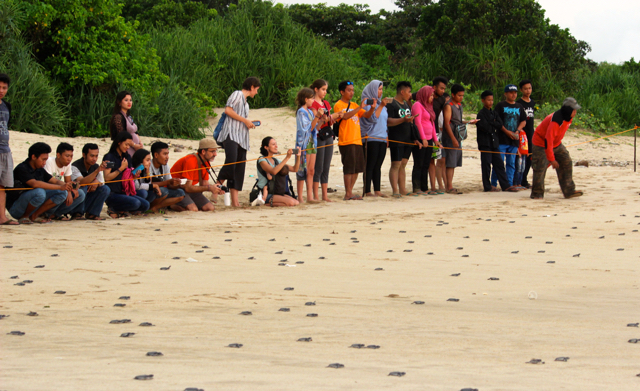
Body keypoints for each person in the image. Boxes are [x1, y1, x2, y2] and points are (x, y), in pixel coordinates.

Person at [217, 77, 261, 207]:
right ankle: (217, 185)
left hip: (242, 137)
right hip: (231, 134)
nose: (256, 93)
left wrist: (248, 122)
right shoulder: (237, 94)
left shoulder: (246, 103)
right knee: (231, 162)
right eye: (257, 89)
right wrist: (245, 120)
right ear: (252, 87)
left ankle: (235, 202)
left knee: (239, 167)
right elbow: (228, 110)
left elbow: (240, 118)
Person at [531, 98, 583, 199]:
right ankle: (537, 193)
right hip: (541, 143)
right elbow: (548, 140)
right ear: (568, 110)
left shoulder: (568, 117)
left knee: (566, 161)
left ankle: (569, 190)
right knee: (540, 168)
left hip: (556, 143)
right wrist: (552, 159)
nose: (576, 112)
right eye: (574, 110)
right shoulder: (556, 121)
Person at [6, 142, 71, 224]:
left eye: (46, 160)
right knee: (40, 192)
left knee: (62, 193)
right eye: (43, 159)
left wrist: (67, 185)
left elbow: (55, 181)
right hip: (16, 207)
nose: (44, 163)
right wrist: (60, 187)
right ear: (33, 157)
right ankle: (24, 217)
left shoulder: (39, 169)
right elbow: (35, 184)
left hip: (31, 204)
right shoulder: (22, 168)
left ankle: (35, 215)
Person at [334, 80, 376, 200]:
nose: (351, 92)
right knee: (349, 167)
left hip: (357, 140)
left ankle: (350, 192)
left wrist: (372, 108)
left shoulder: (353, 105)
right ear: (342, 92)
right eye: (349, 90)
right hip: (346, 140)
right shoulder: (339, 104)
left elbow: (367, 115)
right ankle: (348, 193)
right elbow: (345, 116)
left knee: (357, 168)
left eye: (352, 90)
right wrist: (359, 107)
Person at [476, 91, 518, 193]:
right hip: (485, 143)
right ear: (483, 101)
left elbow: (500, 124)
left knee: (499, 164)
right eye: (488, 100)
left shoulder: (494, 113)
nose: (491, 102)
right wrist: (493, 123)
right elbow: (485, 127)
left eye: (492, 100)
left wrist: (493, 123)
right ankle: (487, 186)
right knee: (486, 165)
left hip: (494, 143)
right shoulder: (481, 114)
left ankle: (505, 185)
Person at [103, 131, 150, 218]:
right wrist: (121, 168)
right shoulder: (110, 157)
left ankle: (123, 209)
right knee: (136, 203)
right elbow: (107, 177)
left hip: (125, 191)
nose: (128, 147)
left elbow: (129, 175)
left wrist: (135, 175)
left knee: (146, 205)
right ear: (119, 142)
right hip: (113, 193)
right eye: (126, 144)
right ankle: (113, 208)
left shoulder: (127, 157)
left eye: (129, 145)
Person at [442, 84, 478, 194]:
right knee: (450, 162)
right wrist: (453, 139)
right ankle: (449, 186)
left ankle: (450, 185)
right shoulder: (449, 106)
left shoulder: (459, 105)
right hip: (451, 136)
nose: (461, 97)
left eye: (462, 95)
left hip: (458, 135)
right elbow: (447, 124)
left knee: (454, 162)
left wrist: (469, 122)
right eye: (459, 95)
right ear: (453, 94)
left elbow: (458, 121)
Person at [171, 139, 225, 211]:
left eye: (215, 151)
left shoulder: (206, 162)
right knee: (193, 209)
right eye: (212, 151)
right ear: (203, 152)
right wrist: (209, 188)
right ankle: (171, 204)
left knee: (210, 208)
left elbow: (204, 183)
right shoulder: (190, 161)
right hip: (177, 188)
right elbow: (187, 187)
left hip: (189, 189)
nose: (215, 154)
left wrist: (216, 188)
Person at [310, 79, 342, 202]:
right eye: (323, 89)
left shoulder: (326, 103)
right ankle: (316, 195)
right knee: (318, 166)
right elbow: (315, 121)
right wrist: (325, 118)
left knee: (326, 165)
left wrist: (333, 117)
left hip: (328, 134)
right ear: (316, 89)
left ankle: (324, 195)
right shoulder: (313, 104)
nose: (325, 92)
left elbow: (328, 119)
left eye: (326, 90)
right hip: (318, 135)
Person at [492, 84, 527, 190]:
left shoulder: (519, 106)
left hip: (514, 140)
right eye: (511, 92)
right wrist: (507, 132)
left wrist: (517, 131)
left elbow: (523, 121)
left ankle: (509, 183)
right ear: (505, 93)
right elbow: (496, 121)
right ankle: (493, 183)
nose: (513, 94)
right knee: (499, 162)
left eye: (515, 92)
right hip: (502, 139)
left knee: (511, 163)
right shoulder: (500, 105)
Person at [387, 81, 418, 198]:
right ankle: (395, 189)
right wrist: (403, 120)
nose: (410, 94)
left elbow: (410, 122)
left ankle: (402, 188)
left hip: (408, 138)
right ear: (402, 92)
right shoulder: (391, 104)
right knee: (396, 164)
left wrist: (414, 138)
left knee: (403, 164)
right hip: (397, 138)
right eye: (409, 92)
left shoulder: (406, 105)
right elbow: (388, 121)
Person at [360, 80, 390, 197]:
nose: (381, 91)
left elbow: (384, 122)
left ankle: (377, 190)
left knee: (378, 165)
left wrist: (386, 136)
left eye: (382, 89)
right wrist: (381, 105)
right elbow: (372, 118)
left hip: (382, 138)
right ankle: (367, 190)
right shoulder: (367, 104)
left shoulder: (381, 105)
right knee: (370, 165)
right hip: (371, 137)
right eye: (379, 89)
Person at [411, 85, 442, 195]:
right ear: (425, 94)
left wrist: (435, 140)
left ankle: (425, 187)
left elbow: (432, 123)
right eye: (431, 95)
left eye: (433, 95)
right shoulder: (417, 105)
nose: (432, 97)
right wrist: (423, 138)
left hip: (429, 139)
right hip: (421, 138)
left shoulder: (429, 106)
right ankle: (416, 187)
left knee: (426, 164)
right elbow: (418, 122)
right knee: (418, 163)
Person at [44, 143, 86, 220]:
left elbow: (68, 181)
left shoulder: (67, 165)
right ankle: (46, 213)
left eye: (71, 156)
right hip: (48, 189)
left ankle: (55, 214)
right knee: (63, 193)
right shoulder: (49, 161)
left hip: (60, 188)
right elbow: (49, 181)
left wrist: (72, 189)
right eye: (67, 156)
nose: (69, 159)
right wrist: (68, 190)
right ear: (58, 155)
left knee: (80, 193)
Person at [294, 87, 321, 203]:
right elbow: (306, 128)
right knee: (301, 170)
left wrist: (321, 120)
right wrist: (317, 117)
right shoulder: (301, 112)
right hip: (303, 144)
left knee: (311, 170)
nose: (313, 101)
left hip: (311, 143)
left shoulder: (310, 111)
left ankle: (309, 196)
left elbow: (315, 128)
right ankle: (300, 196)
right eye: (311, 98)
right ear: (306, 99)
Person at [70, 143, 111, 220]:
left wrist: (96, 182)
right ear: (84, 155)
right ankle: (77, 213)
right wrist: (96, 172)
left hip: (87, 198)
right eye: (92, 156)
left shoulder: (95, 166)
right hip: (76, 200)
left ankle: (93, 214)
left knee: (105, 189)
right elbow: (81, 182)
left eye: (96, 156)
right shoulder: (75, 166)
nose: (94, 159)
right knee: (84, 187)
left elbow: (101, 182)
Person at [257, 137, 301, 207]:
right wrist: (287, 157)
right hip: (266, 193)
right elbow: (273, 171)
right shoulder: (262, 160)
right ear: (266, 147)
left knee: (296, 202)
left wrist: (298, 157)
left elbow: (294, 169)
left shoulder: (276, 161)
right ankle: (265, 203)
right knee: (290, 203)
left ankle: (268, 203)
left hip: (276, 191)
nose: (276, 146)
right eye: (273, 144)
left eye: (276, 144)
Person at [131, 148, 174, 213]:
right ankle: (135, 210)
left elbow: (148, 183)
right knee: (144, 193)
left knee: (153, 192)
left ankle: (141, 209)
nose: (149, 162)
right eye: (147, 160)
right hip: (133, 192)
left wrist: (147, 173)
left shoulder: (144, 169)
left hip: (141, 191)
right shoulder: (133, 169)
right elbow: (137, 186)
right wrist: (154, 185)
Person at [0, 73, 18, 225]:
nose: (1, 90)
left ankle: (2, 217)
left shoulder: (7, 106)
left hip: (5, 150)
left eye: (4, 88)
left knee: (3, 186)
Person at [149, 141, 186, 209]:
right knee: (164, 191)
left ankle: (155, 207)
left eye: (167, 154)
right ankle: (149, 207)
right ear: (156, 155)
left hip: (161, 191)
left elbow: (169, 185)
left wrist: (177, 185)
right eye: (165, 154)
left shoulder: (165, 166)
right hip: (150, 192)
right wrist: (168, 182)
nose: (167, 157)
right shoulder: (149, 165)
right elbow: (149, 184)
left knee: (181, 193)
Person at [109, 91, 142, 157]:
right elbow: (121, 135)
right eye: (126, 100)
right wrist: (134, 145)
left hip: (135, 148)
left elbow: (135, 132)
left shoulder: (129, 116)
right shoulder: (118, 117)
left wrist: (140, 143)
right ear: (119, 102)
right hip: (126, 148)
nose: (129, 102)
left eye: (130, 100)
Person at [431, 76, 449, 194]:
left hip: (437, 133)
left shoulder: (442, 100)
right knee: (434, 160)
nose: (442, 91)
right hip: (433, 132)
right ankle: (435, 186)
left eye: (444, 89)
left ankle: (443, 185)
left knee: (441, 159)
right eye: (441, 88)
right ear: (434, 87)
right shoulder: (426, 97)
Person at [517, 80, 536, 188]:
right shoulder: (519, 103)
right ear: (521, 90)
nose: (528, 90)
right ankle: (519, 180)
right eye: (525, 88)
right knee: (521, 158)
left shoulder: (532, 103)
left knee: (530, 157)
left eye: (529, 88)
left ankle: (524, 180)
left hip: (531, 133)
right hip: (522, 133)